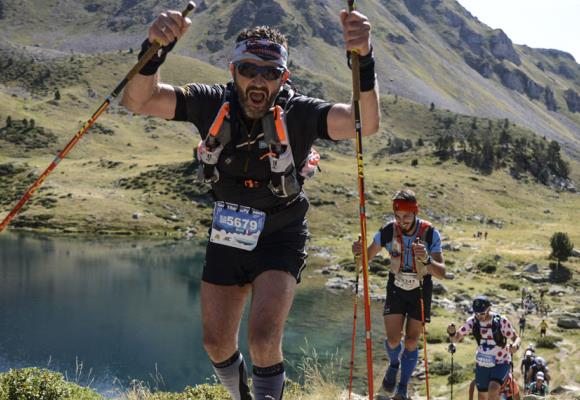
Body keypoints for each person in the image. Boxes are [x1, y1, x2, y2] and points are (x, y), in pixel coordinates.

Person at [121, 7, 380, 400]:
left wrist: (363, 59)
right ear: (233, 70)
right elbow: (140, 100)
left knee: (262, 340)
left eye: (271, 73)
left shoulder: (299, 113)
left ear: (284, 77)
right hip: (228, 231)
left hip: (281, 232)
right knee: (216, 344)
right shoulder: (211, 102)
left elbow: (364, 122)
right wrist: (155, 51)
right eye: (248, 69)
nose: (259, 80)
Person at [352, 189, 445, 400]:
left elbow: (441, 273)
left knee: (412, 342)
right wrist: (357, 253)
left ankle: (402, 387)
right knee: (394, 340)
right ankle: (394, 364)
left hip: (421, 288)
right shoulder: (387, 231)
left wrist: (427, 260)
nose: (401, 221)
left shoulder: (430, 233)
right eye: (397, 216)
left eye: (406, 216)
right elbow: (361, 265)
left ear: (415, 212)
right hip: (396, 287)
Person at [447, 296, 521, 400]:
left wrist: (515, 346)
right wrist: (451, 333)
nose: (479, 316)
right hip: (482, 363)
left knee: (493, 388)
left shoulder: (501, 321)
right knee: (482, 396)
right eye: (476, 313)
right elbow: (456, 338)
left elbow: (516, 338)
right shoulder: (472, 321)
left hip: (501, 362)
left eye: (482, 313)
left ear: (489, 309)